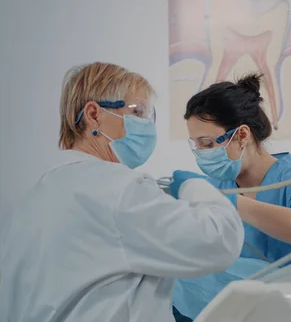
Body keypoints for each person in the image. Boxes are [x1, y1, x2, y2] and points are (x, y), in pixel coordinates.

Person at [0, 62, 245, 322]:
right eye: (137, 111)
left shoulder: (33, 200)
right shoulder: (117, 188)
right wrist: (194, 186)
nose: (147, 125)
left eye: (148, 115)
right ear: (94, 114)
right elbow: (219, 240)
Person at [169, 73, 291, 320]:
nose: (201, 153)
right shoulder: (219, 182)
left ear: (242, 135)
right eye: (196, 145)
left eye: (207, 143)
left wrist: (228, 201)